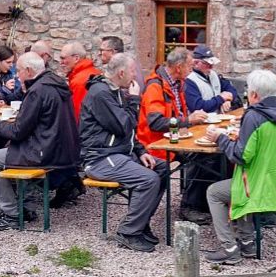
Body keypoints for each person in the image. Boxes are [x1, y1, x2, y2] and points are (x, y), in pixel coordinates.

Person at [203, 69, 276, 264]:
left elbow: (241, 157)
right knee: (241, 182)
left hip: (257, 185)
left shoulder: (254, 116)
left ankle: (229, 247)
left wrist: (220, 138)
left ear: (254, 94)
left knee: (214, 192)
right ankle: (247, 243)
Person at [80, 53, 170, 253]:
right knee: (148, 179)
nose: (135, 75)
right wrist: (135, 100)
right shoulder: (101, 94)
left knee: (161, 168)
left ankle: (141, 223)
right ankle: (129, 231)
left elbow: (127, 132)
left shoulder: (116, 91)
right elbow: (124, 125)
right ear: (121, 73)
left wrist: (140, 151)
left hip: (119, 153)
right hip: (100, 158)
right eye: (132, 71)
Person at [0, 52, 81, 229]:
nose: (16, 75)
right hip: (60, 149)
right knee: (10, 149)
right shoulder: (55, 83)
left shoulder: (38, 91)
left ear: (28, 71)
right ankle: (26, 207)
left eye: (18, 71)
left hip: (44, 153)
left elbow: (17, 131)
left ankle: (12, 214)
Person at [137, 49, 210, 223]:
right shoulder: (155, 86)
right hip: (155, 145)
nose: (192, 69)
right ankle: (189, 207)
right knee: (200, 158)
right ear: (179, 67)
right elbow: (156, 123)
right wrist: (188, 120)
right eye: (190, 65)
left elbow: (177, 115)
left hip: (173, 140)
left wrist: (188, 121)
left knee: (207, 156)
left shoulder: (176, 84)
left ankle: (201, 203)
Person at [184, 45, 240, 114]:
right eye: (207, 63)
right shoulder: (190, 81)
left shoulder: (213, 74)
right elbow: (198, 106)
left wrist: (228, 100)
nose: (211, 66)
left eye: (212, 63)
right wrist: (221, 99)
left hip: (218, 118)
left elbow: (231, 88)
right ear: (196, 63)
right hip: (203, 120)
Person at [58, 41, 99, 122]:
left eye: (63, 58)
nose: (61, 62)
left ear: (76, 58)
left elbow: (77, 113)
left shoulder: (79, 81)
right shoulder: (95, 72)